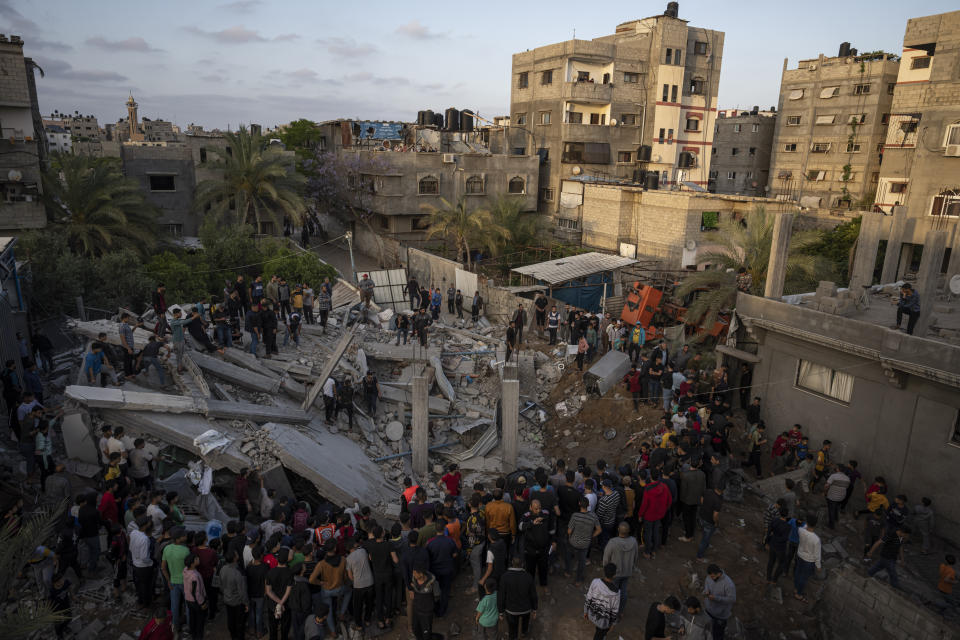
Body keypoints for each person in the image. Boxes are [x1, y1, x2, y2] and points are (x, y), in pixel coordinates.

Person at [603, 522, 638, 620]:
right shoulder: (634, 541)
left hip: (614, 574)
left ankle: (610, 611)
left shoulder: (613, 542)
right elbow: (636, 557)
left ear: (618, 530)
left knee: (612, 592)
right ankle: (620, 611)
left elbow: (606, 559)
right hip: (627, 572)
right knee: (623, 592)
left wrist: (607, 571)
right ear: (628, 531)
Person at [498, 555, 538, 640]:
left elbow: (501, 595)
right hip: (526, 609)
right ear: (523, 564)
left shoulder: (504, 577)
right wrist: (534, 609)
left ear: (512, 563)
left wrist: (500, 611)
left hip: (511, 610)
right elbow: (533, 595)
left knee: (512, 627)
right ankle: (524, 632)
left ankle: (513, 637)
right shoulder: (528, 576)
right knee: (525, 622)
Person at [161, 527, 191, 635]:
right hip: (185, 583)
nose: (186, 536)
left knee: (174, 606)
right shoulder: (185, 550)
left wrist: (168, 580)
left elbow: (163, 567)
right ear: (178, 539)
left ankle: (175, 627)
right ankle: (188, 627)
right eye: (184, 535)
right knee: (188, 605)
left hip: (173, 582)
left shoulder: (167, 549)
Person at [867, 525, 910, 589]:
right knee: (892, 573)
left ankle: (867, 574)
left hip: (891, 558)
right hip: (887, 557)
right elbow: (879, 542)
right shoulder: (891, 534)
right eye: (907, 535)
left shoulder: (901, 537)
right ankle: (895, 586)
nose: (907, 537)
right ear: (903, 532)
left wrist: (902, 559)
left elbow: (900, 547)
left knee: (877, 567)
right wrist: (870, 552)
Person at [584, 563, 620, 640]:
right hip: (603, 622)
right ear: (614, 575)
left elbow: (588, 597)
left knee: (599, 633)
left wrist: (585, 611)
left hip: (592, 614)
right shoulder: (617, 593)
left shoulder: (595, 582)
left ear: (604, 572)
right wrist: (613, 624)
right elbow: (615, 611)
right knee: (600, 635)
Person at [266, 546, 295, 640]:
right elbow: (288, 590)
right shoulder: (290, 573)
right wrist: (281, 603)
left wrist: (278, 602)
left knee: (273, 628)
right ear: (287, 559)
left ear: (277, 559)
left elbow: (268, 591)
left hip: (272, 605)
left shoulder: (270, 572)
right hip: (286, 604)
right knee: (285, 628)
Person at [702, 564, 735, 640]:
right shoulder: (709, 577)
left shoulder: (729, 584)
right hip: (708, 610)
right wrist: (706, 591)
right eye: (710, 576)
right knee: (707, 630)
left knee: (718, 634)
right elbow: (707, 584)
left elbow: (732, 599)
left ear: (719, 574)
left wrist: (716, 598)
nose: (711, 578)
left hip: (720, 615)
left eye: (713, 576)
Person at [793, 514, 821, 603]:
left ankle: (796, 588)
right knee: (803, 578)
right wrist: (818, 566)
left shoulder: (800, 530)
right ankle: (799, 594)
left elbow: (803, 525)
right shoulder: (816, 539)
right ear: (816, 525)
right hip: (808, 561)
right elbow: (817, 555)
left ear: (807, 522)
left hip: (800, 555)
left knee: (798, 572)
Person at [410, 563, 440, 640]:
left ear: (421, 574)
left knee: (426, 633)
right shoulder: (414, 579)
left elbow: (436, 596)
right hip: (416, 610)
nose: (413, 574)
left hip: (426, 613)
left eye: (415, 573)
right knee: (415, 629)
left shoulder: (431, 583)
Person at [183, 553, 208, 639]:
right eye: (197, 559)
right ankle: (198, 637)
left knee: (193, 618)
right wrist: (202, 603)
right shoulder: (194, 576)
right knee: (200, 621)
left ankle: (193, 634)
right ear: (193, 563)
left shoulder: (186, 570)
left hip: (188, 599)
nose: (199, 559)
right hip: (196, 601)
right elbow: (196, 592)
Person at [697, 484, 723, 561]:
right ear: (723, 490)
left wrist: (705, 507)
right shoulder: (719, 500)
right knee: (704, 540)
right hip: (709, 521)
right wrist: (716, 522)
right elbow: (715, 515)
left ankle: (706, 544)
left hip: (702, 516)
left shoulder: (707, 491)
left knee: (704, 533)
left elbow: (701, 500)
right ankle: (699, 556)